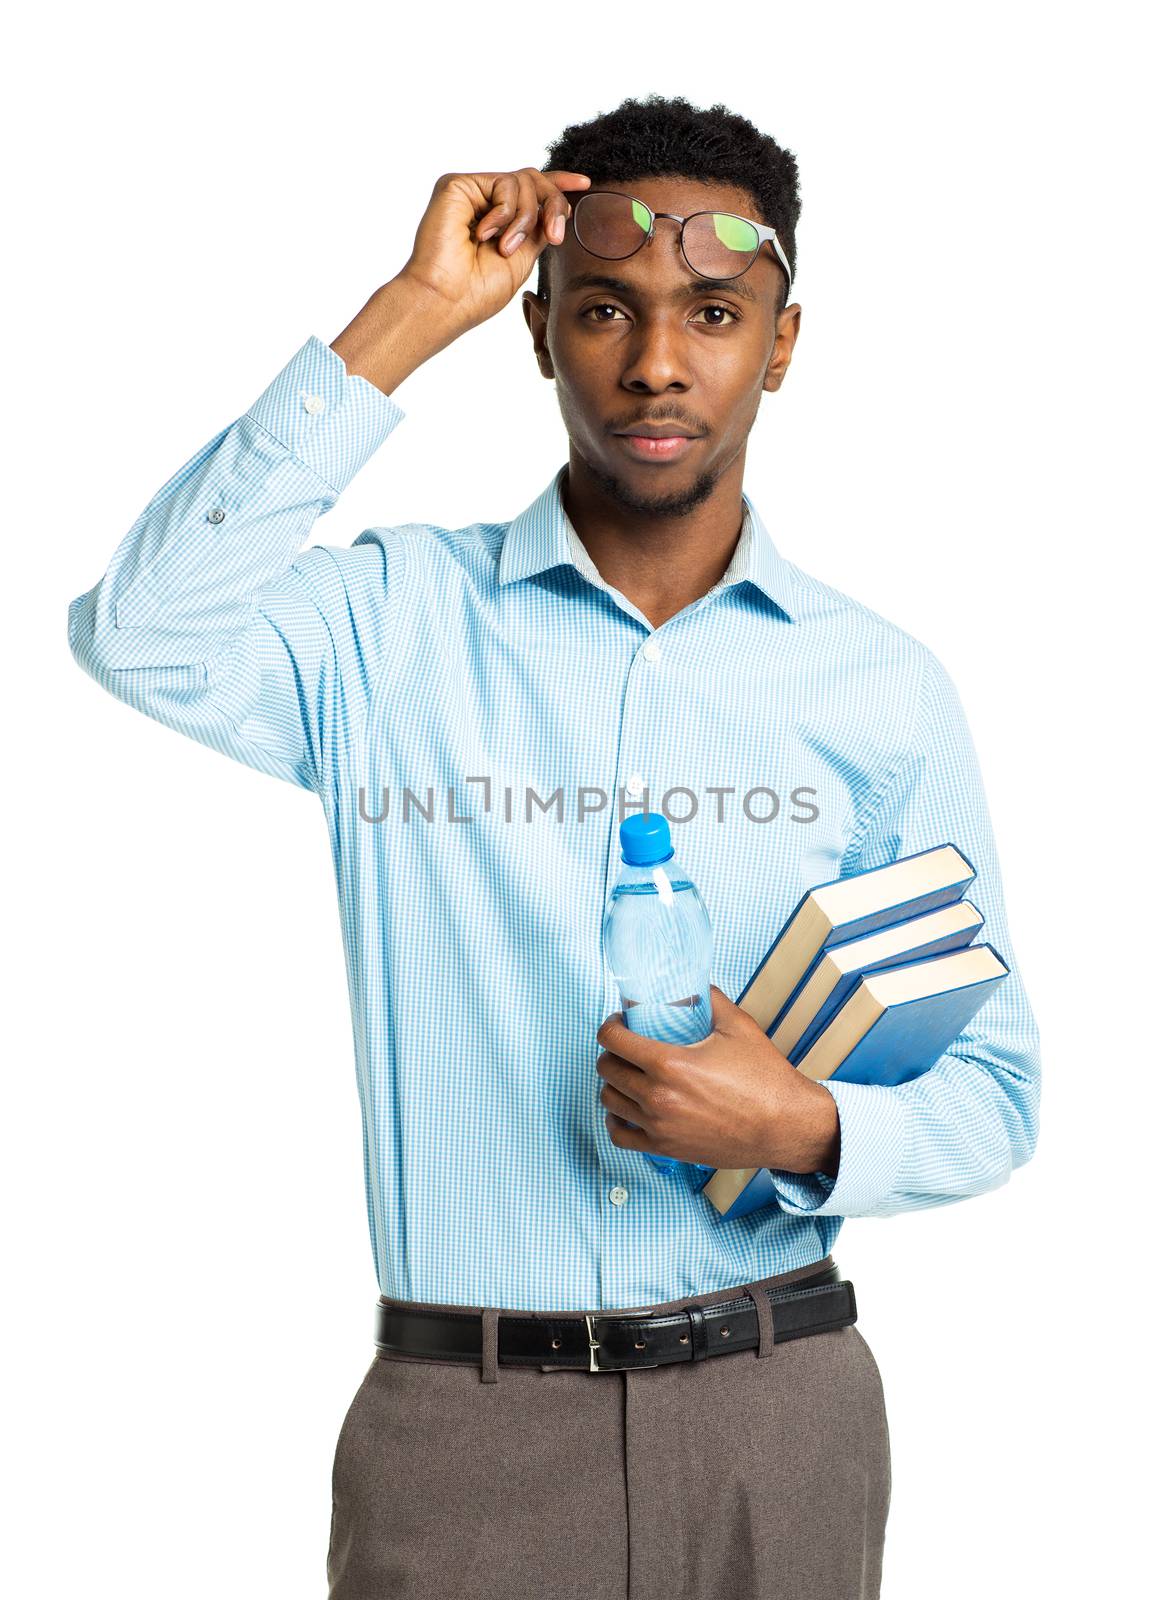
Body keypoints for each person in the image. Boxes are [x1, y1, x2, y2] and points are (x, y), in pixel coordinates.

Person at [67, 94, 1041, 1600]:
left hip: (776, 1415)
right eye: (605, 310)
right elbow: (140, 630)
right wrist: (405, 315)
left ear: (781, 344)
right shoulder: (385, 628)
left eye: (713, 312)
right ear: (536, 333)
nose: (657, 363)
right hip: (462, 1432)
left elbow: (991, 1092)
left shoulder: (881, 687)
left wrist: (794, 1129)